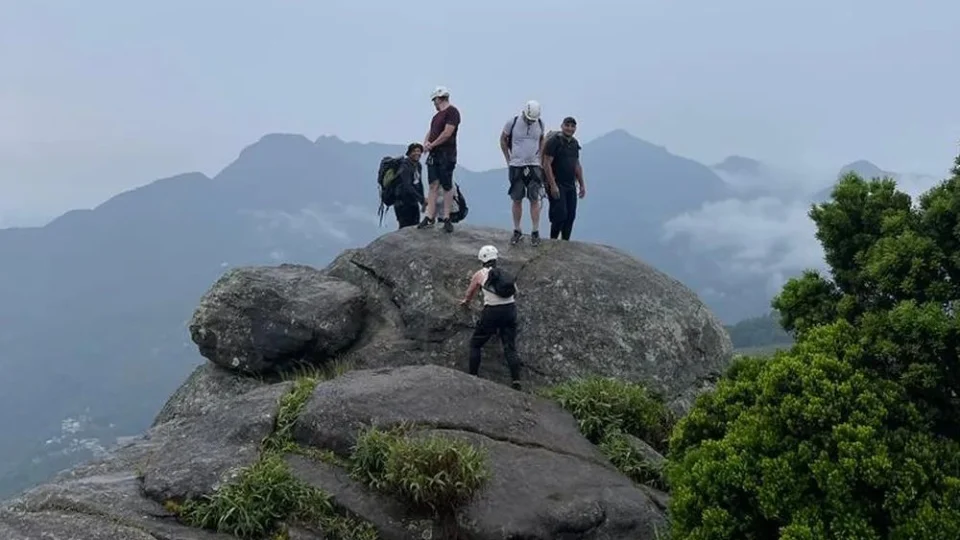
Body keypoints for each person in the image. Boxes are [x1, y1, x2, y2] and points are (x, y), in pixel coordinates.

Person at [459, 244, 521, 390]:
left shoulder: (479, 274)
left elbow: (470, 292)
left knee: (476, 344)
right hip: (509, 310)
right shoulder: (505, 274)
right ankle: (516, 380)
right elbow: (516, 292)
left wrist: (465, 302)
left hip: (492, 312)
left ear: (482, 258)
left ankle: (473, 375)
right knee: (509, 347)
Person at [500, 100, 545, 246]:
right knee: (517, 198)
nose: (530, 122)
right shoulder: (512, 123)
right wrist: (508, 159)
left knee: (534, 199)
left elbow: (542, 139)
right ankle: (517, 230)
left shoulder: (540, 123)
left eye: (533, 120)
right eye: (528, 119)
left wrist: (540, 158)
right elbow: (503, 139)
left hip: (534, 165)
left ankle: (535, 231)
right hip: (516, 166)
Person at [418, 86, 462, 233]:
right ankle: (429, 216)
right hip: (434, 155)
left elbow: (447, 133)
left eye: (434, 100)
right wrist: (426, 143)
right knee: (433, 184)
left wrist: (432, 145)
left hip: (446, 154)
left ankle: (447, 217)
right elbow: (431, 131)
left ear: (439, 98)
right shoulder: (436, 117)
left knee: (447, 185)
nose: (434, 104)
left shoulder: (452, 112)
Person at [542, 116, 586, 240]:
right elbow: (546, 163)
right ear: (562, 126)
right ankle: (553, 240)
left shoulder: (574, 143)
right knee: (560, 214)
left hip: (571, 184)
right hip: (557, 183)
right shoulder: (554, 142)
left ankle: (565, 243)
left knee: (570, 216)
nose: (570, 128)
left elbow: (576, 164)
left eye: (572, 126)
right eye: (567, 125)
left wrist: (582, 184)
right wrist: (552, 185)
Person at [393, 143, 426, 229]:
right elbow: (407, 186)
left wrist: (422, 200)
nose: (417, 153)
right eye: (414, 151)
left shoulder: (418, 166)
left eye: (419, 151)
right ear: (409, 153)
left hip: (413, 201)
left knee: (415, 225)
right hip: (402, 202)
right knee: (404, 227)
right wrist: (421, 198)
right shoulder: (405, 166)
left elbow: (419, 183)